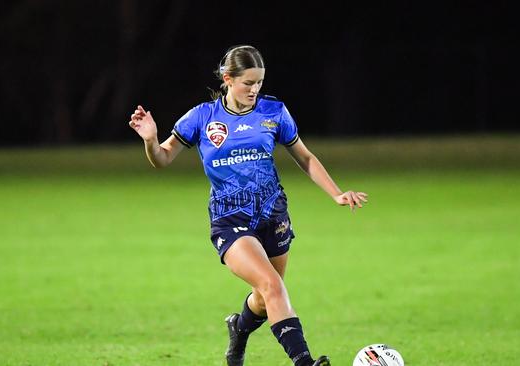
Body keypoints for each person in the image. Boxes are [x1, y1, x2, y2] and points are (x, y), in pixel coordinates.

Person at [128, 45, 367, 366]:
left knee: (267, 296)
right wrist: (150, 140)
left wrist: (336, 193)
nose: (254, 89)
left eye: (259, 83)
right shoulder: (201, 117)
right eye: (248, 83)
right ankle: (305, 362)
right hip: (230, 219)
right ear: (228, 79)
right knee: (271, 286)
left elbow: (306, 158)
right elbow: (162, 158)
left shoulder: (274, 112)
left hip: (274, 215)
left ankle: (238, 330)